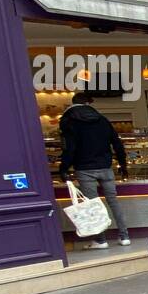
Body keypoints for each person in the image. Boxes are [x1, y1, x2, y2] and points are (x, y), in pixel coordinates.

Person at [58, 93, 130, 249]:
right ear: (89, 103)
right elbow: (116, 143)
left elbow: (69, 148)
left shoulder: (68, 120)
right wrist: (123, 165)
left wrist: (63, 169)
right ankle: (124, 237)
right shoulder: (102, 119)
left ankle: (100, 240)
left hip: (84, 169)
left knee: (92, 205)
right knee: (113, 202)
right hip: (105, 166)